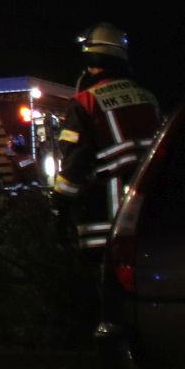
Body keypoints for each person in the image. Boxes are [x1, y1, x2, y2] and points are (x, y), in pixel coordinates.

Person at [52, 22, 162, 257]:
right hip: (150, 217)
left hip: (106, 223)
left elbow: (75, 163)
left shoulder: (85, 102)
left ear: (92, 59)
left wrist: (59, 202)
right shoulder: (148, 98)